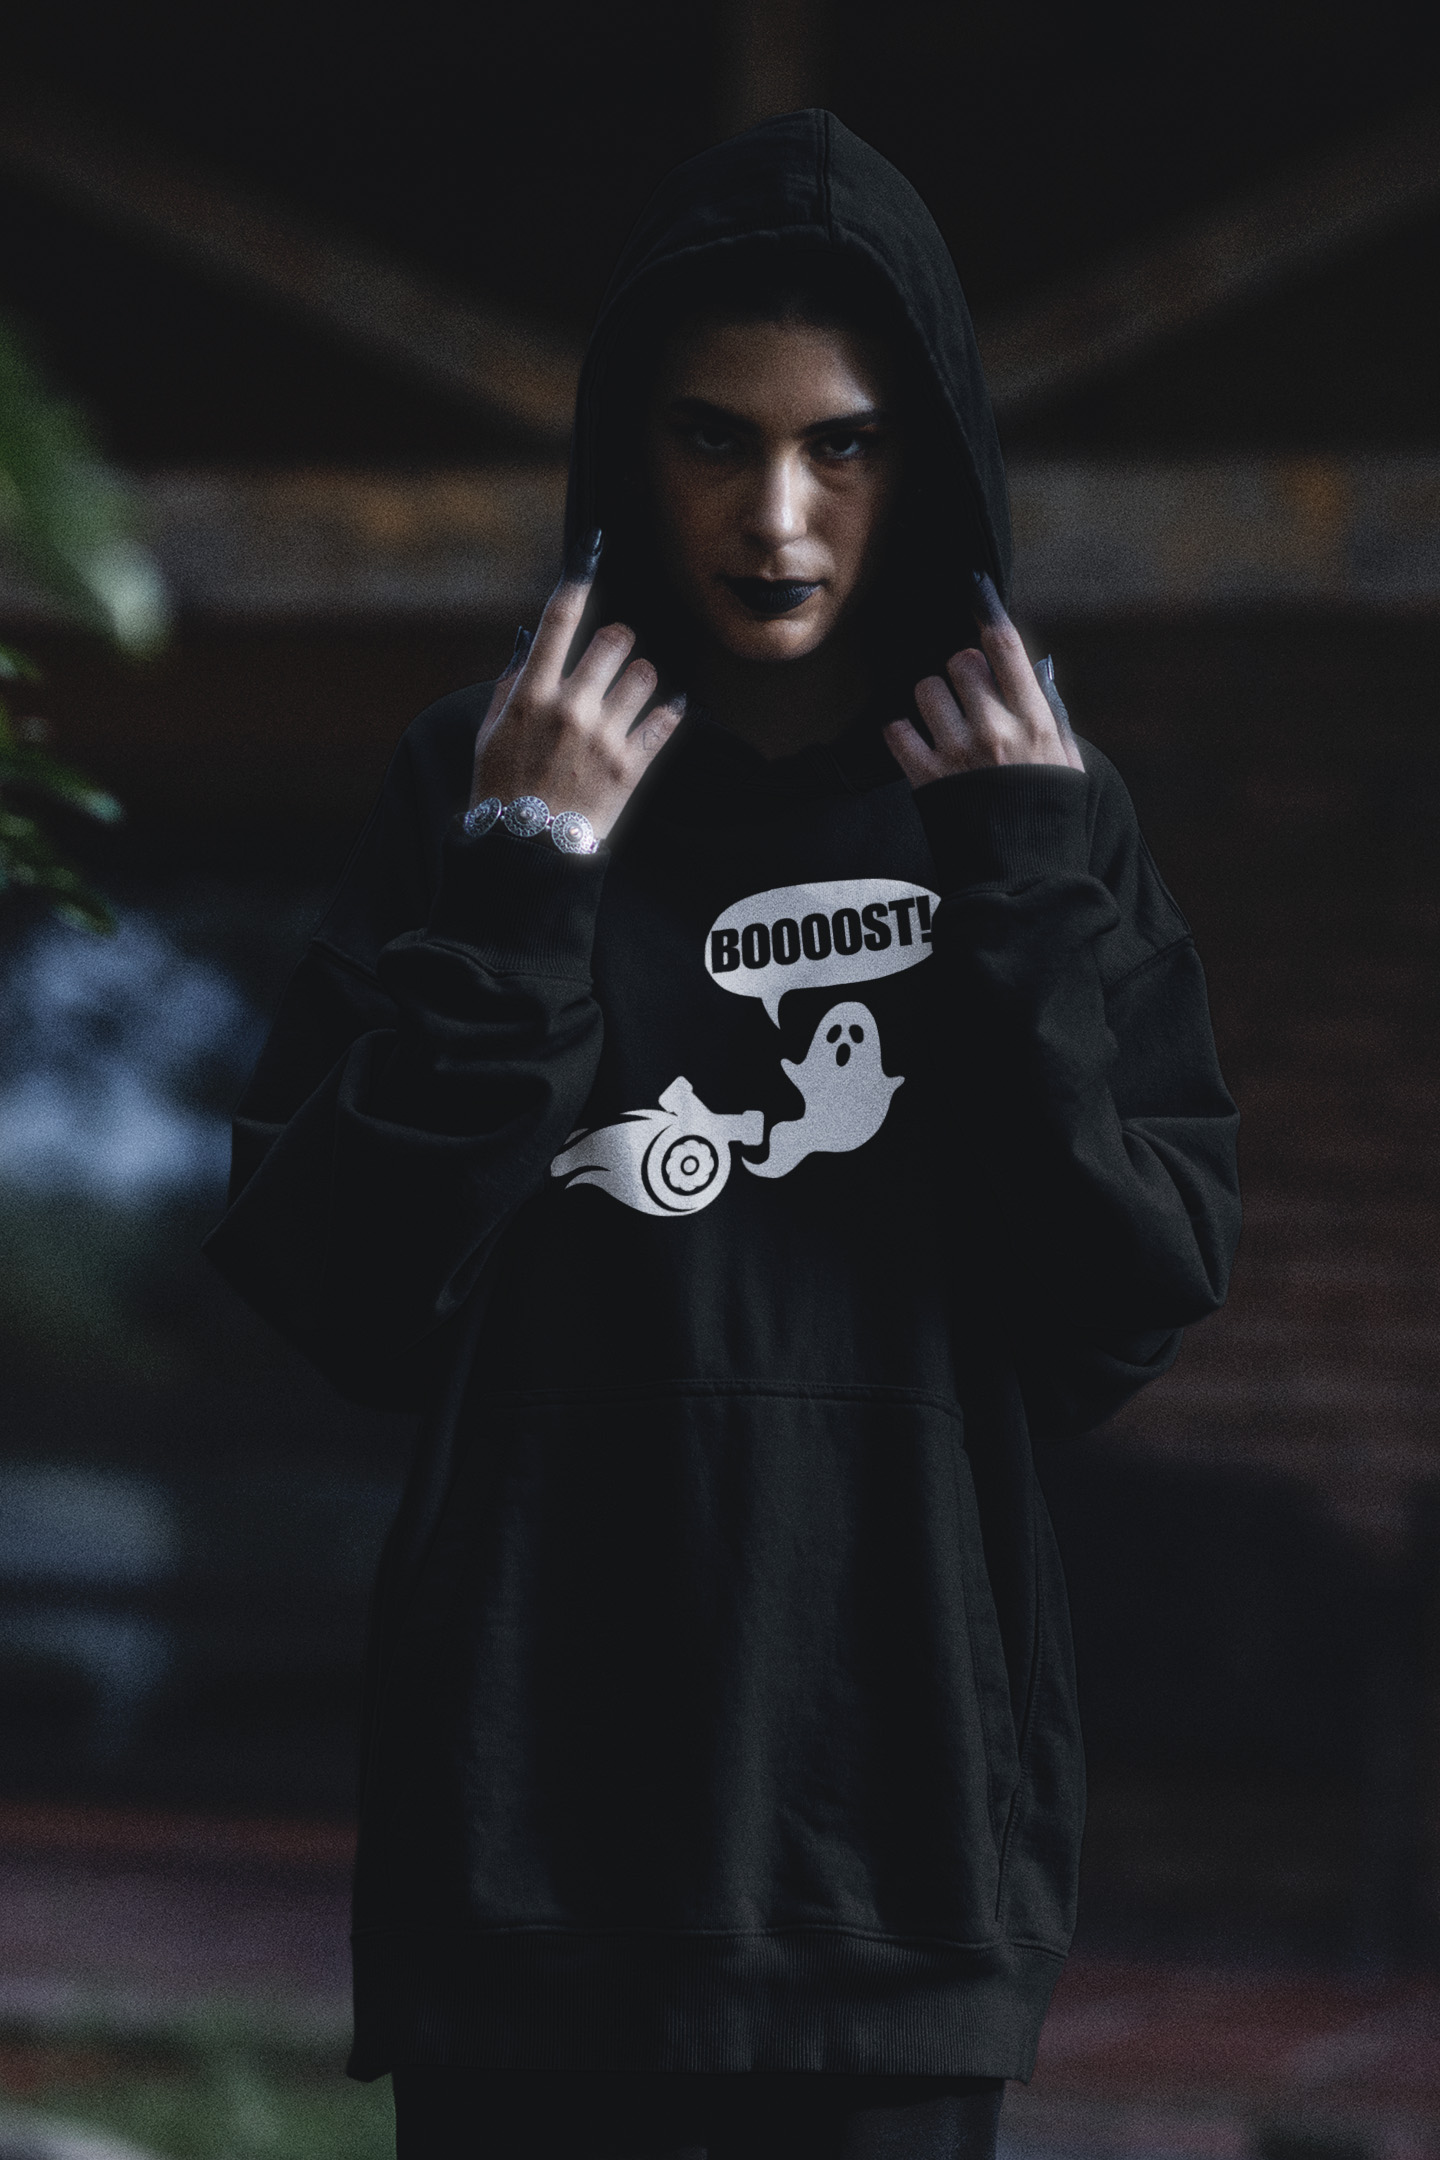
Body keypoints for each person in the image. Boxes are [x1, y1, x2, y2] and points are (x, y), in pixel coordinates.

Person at [206, 111, 1240, 2160]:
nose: (778, 514)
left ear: (924, 457)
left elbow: (1117, 1310)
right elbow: (339, 1293)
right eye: (713, 439)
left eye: (843, 444)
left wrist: (1021, 897)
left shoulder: (1040, 813)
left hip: (894, 1861)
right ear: (627, 450)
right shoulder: (478, 778)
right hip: (530, 1850)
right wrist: (527, 877)